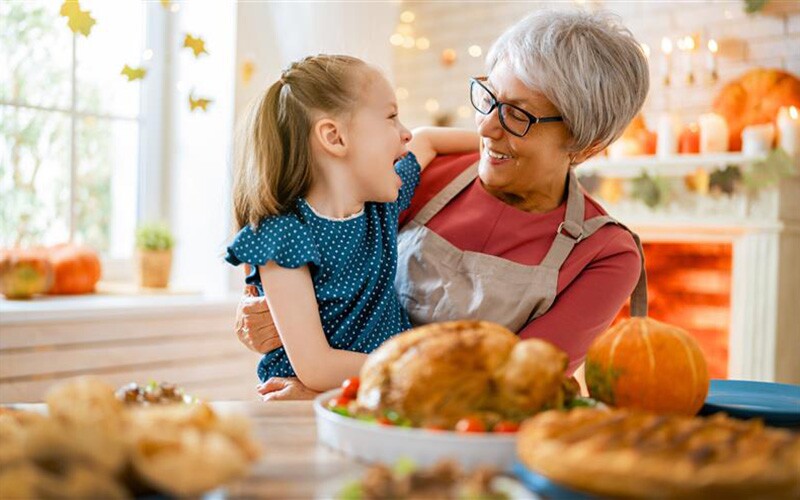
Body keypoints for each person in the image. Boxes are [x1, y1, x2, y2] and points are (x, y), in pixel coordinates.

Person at [236, 9, 651, 401]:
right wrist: (274, 314)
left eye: (518, 117)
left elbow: (512, 388)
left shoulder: (605, 254)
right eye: (489, 98)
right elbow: (320, 261)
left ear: (587, 144)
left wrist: (343, 392)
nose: (486, 127)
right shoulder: (408, 176)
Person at [226, 54, 478, 392]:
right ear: (334, 137)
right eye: (391, 117)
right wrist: (423, 368)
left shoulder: (379, 208)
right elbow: (317, 367)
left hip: (382, 393)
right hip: (322, 412)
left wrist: (505, 146)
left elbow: (426, 139)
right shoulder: (285, 236)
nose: (404, 134)